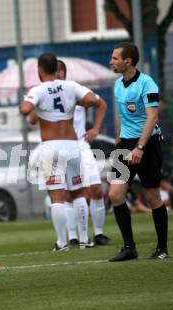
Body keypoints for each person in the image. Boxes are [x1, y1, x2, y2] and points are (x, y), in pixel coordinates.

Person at [19, 53, 106, 251]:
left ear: (40, 69)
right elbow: (95, 100)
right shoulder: (71, 86)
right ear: (57, 69)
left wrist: (34, 106)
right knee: (78, 191)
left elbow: (25, 110)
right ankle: (84, 239)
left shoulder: (38, 90)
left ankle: (62, 242)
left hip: (51, 147)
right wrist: (78, 104)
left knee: (56, 196)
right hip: (72, 145)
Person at [108, 42, 168, 261]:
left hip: (147, 143)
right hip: (125, 143)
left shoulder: (147, 83)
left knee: (153, 197)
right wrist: (119, 141)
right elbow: (121, 115)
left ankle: (162, 248)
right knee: (115, 194)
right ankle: (129, 247)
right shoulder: (117, 85)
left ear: (128, 61)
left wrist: (140, 147)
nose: (111, 61)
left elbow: (152, 117)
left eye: (115, 58)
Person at [55, 60, 112, 248]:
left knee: (96, 189)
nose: (54, 76)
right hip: (59, 148)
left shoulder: (76, 90)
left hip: (80, 145)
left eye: (57, 72)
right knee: (68, 194)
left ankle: (99, 233)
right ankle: (72, 237)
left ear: (63, 72)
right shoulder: (46, 93)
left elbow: (101, 103)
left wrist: (95, 128)